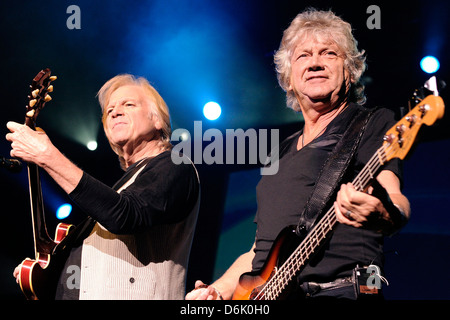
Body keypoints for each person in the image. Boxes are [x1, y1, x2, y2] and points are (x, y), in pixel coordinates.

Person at [186, 9, 410, 300]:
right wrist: (216, 291)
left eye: (329, 53)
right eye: (303, 56)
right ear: (289, 77)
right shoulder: (277, 155)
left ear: (351, 71)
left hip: (347, 290)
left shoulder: (373, 122)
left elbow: (396, 199)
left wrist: (383, 214)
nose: (315, 62)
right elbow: (259, 252)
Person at [8, 74, 200, 299]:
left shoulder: (175, 165)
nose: (115, 112)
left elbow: (125, 215)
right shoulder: (123, 187)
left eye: (128, 104)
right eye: (109, 111)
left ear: (158, 120)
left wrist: (48, 156)